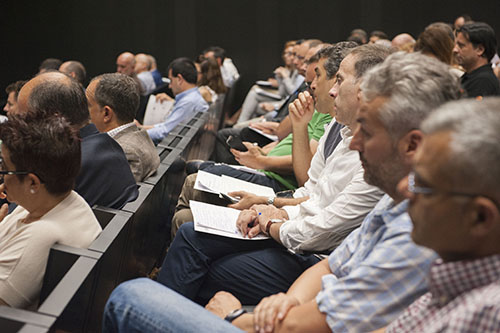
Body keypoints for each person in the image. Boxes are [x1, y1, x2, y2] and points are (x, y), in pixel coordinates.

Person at [103, 51, 461, 332]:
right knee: (191, 232)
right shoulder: (401, 202)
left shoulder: (421, 231)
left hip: (304, 253)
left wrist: (237, 317)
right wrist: (285, 300)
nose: (356, 144)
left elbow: (321, 248)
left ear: (412, 145)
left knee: (131, 296)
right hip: (303, 260)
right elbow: (329, 249)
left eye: (368, 131)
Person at [158, 44, 389, 307]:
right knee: (192, 230)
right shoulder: (341, 127)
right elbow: (310, 193)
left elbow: (319, 229)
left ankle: (156, 311)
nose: (320, 86)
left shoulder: (376, 159)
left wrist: (268, 217)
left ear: (365, 92)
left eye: (336, 79)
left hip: (311, 252)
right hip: (295, 229)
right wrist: (270, 210)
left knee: (199, 252)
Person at [383, 98, 500, 332]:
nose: (404, 187)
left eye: (423, 184)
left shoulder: (487, 314)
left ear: (479, 217)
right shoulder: (455, 274)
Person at [0, 110, 102, 309]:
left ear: (33, 183)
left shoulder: (40, 235)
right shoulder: (60, 200)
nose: (2, 176)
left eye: (5, 167)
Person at [15, 71, 139, 209]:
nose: (22, 127)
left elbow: (21, 216)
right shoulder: (105, 145)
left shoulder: (70, 164)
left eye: (24, 119)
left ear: (54, 120)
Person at [86, 73, 160, 182]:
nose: (83, 110)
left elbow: (106, 197)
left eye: (88, 105)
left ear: (106, 113)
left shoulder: (123, 153)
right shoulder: (139, 133)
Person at [139, 57, 209, 144]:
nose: (170, 86)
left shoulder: (188, 102)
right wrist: (141, 128)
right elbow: (167, 126)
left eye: (171, 80)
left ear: (179, 79)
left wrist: (136, 134)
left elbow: (165, 132)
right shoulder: (192, 98)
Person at [454, 22, 500, 98]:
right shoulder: (470, 77)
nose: (455, 50)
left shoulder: (483, 82)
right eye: (455, 45)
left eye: (461, 46)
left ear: (480, 50)